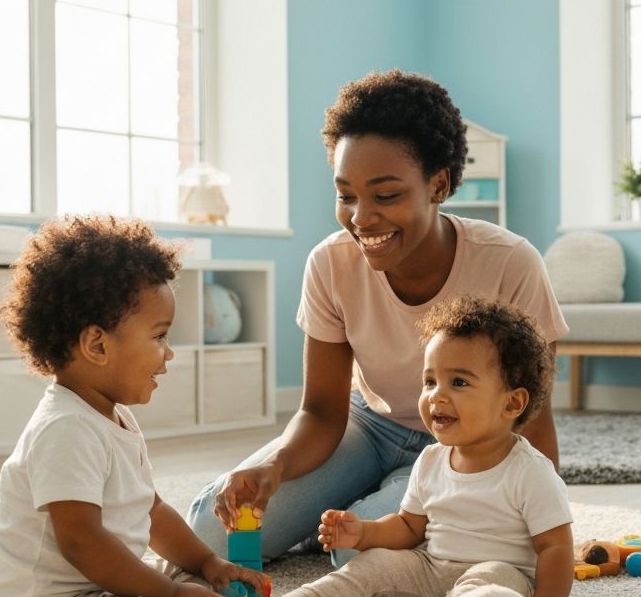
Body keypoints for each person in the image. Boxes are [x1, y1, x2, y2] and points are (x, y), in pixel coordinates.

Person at [187, 69, 568, 562]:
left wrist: (548, 533)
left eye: (385, 195)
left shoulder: (510, 263)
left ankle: (372, 501)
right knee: (210, 535)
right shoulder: (330, 263)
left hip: (470, 441)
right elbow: (322, 412)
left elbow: (531, 416)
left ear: (439, 184)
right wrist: (276, 466)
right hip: (368, 427)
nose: (361, 218)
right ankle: (364, 493)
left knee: (361, 554)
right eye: (346, 195)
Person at [0, 215, 264, 597]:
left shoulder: (115, 415)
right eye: (159, 336)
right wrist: (173, 596)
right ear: (96, 344)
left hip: (97, 594)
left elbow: (149, 510)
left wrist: (208, 564)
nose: (168, 353)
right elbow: (82, 541)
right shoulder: (64, 428)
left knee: (198, 581)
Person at [220, 295, 574, 597]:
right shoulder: (432, 459)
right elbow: (408, 526)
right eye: (429, 380)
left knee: (492, 577)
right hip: (431, 572)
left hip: (503, 588)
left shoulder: (530, 470)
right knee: (372, 565)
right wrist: (364, 534)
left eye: (458, 382)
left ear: (512, 404)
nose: (436, 395)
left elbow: (555, 547)